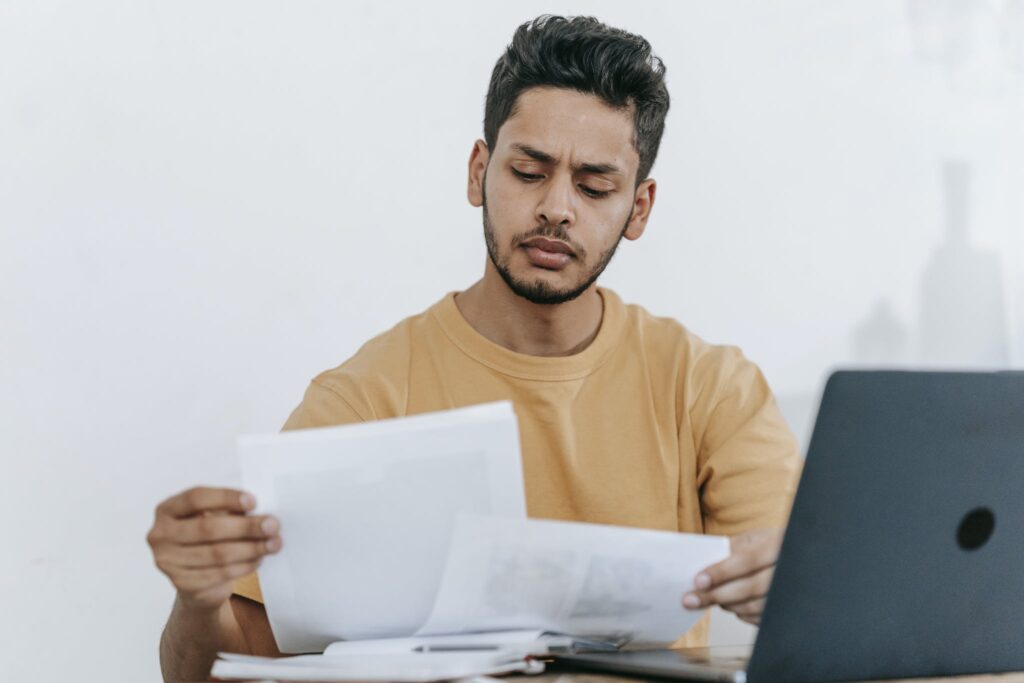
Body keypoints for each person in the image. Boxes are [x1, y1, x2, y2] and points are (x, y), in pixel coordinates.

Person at [146, 14, 801, 683]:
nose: (556, 208)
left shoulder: (709, 386)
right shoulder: (369, 395)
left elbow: (812, 603)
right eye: (528, 171)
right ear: (479, 172)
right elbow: (213, 669)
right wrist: (195, 600)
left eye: (595, 186)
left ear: (638, 208)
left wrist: (793, 587)